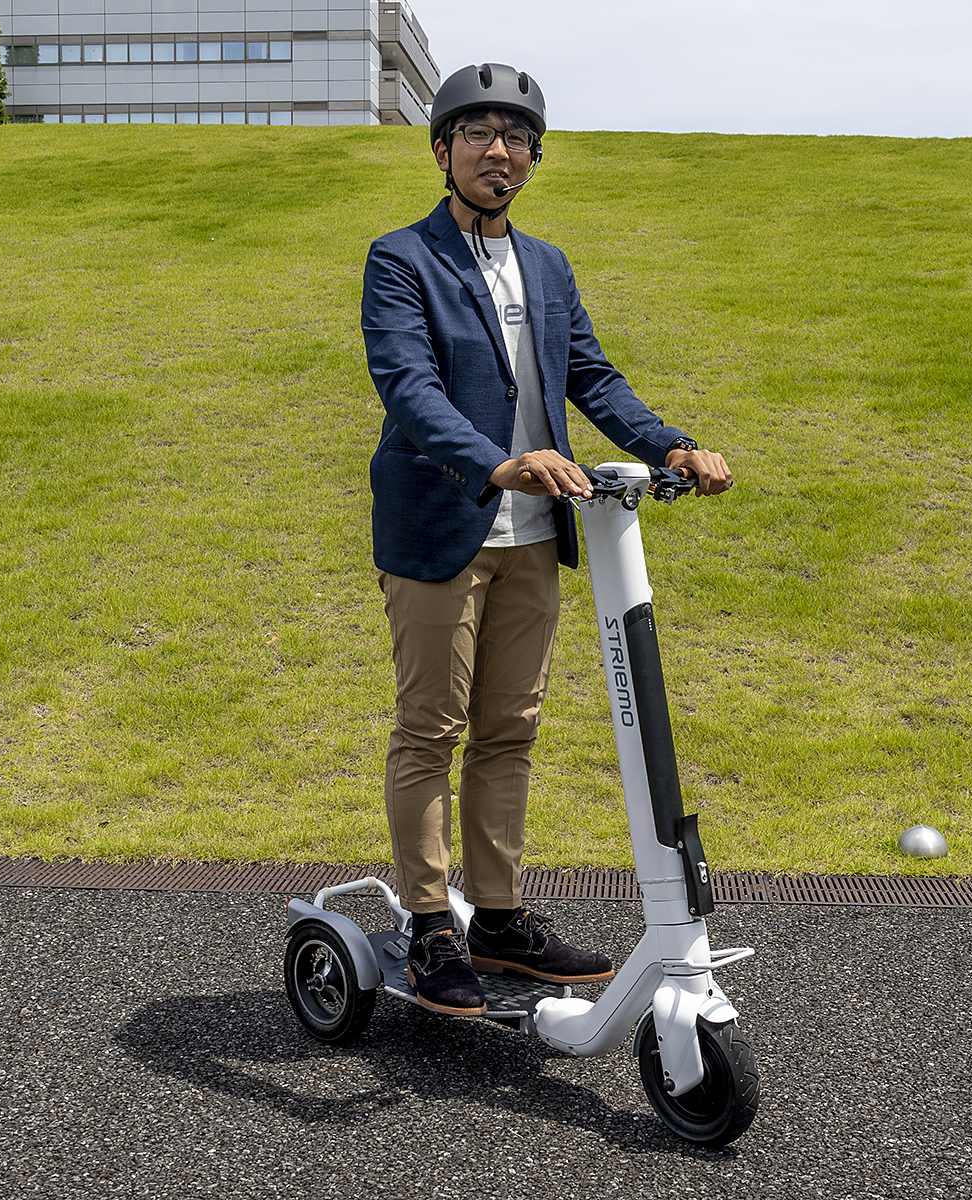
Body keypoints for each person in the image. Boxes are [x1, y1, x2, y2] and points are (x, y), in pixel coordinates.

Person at [360, 62, 733, 1016]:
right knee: (429, 729)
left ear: (532, 157)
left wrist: (674, 445)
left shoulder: (550, 265)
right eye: (478, 133)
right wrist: (500, 463)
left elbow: (593, 380)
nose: (500, 150)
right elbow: (410, 390)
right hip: (446, 523)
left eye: (516, 137)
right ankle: (428, 922)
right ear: (442, 150)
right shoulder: (402, 259)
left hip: (536, 538)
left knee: (510, 729)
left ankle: (498, 916)